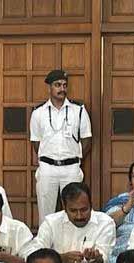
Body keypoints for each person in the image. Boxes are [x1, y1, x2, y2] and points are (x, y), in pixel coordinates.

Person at [25, 181, 114, 263]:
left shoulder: (105, 222)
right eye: (73, 211)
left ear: (91, 204)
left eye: (84, 210)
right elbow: (33, 253)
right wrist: (59, 258)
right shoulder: (51, 222)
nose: (79, 216)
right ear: (64, 207)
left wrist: (95, 258)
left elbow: (103, 258)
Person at [30, 69, 91, 224]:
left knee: (74, 210)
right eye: (57, 85)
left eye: (64, 85)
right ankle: (46, 240)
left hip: (71, 168)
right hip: (47, 168)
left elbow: (86, 139)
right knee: (46, 214)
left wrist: (73, 157)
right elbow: (36, 142)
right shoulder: (38, 112)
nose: (62, 89)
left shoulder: (78, 110)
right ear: (49, 87)